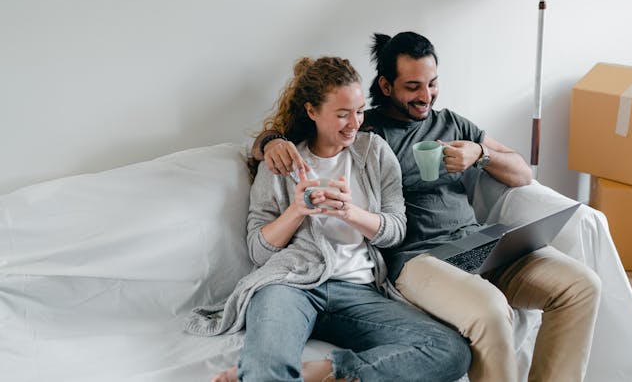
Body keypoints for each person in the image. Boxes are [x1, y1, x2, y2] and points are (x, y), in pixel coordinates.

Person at [255, 33, 602, 382]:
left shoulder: (452, 123)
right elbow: (292, 134)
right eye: (412, 87)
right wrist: (271, 142)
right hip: (419, 259)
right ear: (386, 86)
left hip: (478, 243)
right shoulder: (367, 131)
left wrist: (480, 155)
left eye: (432, 84)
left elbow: (522, 173)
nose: (425, 96)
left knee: (581, 285)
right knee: (490, 310)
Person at [185, 56, 471, 382]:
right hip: (289, 286)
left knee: (449, 349)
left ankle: (319, 373)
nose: (355, 123)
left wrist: (349, 212)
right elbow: (259, 251)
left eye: (359, 111)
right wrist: (296, 211)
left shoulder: (375, 153)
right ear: (312, 112)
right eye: (342, 114)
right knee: (265, 371)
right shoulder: (281, 161)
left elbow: (395, 231)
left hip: (358, 291)